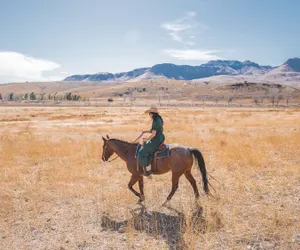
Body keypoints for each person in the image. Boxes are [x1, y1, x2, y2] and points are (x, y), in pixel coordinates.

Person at [138, 106, 165, 176]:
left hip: (156, 139)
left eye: (149, 113)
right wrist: (146, 131)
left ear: (152, 113)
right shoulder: (159, 119)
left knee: (143, 150)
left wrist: (146, 139)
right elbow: (156, 130)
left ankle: (148, 169)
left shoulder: (155, 121)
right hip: (160, 137)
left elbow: (153, 134)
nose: (149, 115)